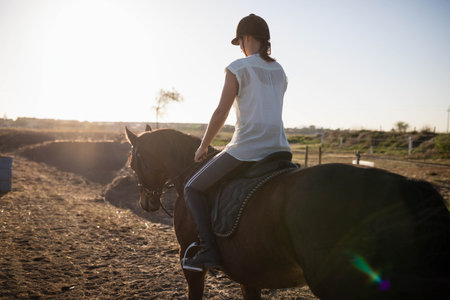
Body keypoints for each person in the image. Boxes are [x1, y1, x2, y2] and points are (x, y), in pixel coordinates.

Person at [183, 13, 291, 271]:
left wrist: (202, 146)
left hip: (247, 150)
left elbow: (221, 112)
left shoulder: (237, 68)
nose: (240, 47)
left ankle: (209, 250)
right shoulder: (280, 71)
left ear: (247, 38)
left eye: (240, 41)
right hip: (280, 149)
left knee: (192, 188)